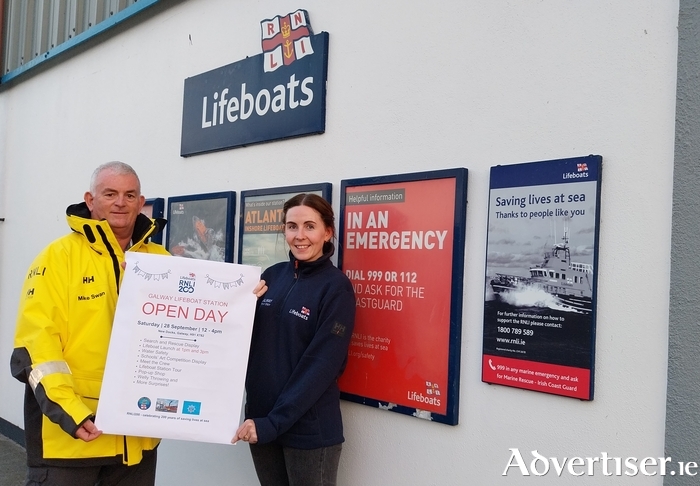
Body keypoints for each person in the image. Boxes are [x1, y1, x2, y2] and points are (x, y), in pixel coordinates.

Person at [10, 161, 169, 486]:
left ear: (141, 203)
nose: (120, 202)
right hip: (71, 439)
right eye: (110, 193)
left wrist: (240, 299)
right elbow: (36, 347)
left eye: (129, 195)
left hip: (135, 441)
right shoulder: (57, 259)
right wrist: (70, 412)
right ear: (90, 199)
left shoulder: (162, 261)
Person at [233, 193, 356, 486]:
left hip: (308, 432)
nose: (299, 236)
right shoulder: (271, 278)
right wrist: (240, 310)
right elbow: (243, 344)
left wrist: (273, 422)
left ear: (328, 232)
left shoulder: (336, 288)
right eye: (291, 227)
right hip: (261, 426)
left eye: (309, 227)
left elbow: (322, 366)